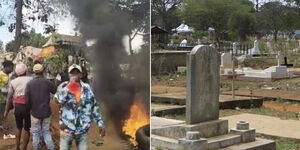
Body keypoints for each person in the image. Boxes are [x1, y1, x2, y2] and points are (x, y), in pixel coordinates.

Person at [55, 64, 105, 150]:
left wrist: (100, 123)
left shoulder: (87, 88)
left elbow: (94, 106)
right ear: (69, 75)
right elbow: (59, 101)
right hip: (66, 129)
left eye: (76, 73)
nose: (74, 76)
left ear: (81, 75)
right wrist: (69, 86)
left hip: (82, 130)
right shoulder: (63, 87)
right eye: (72, 73)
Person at [25, 64, 56, 150]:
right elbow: (55, 91)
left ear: (34, 72)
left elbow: (26, 99)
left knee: (36, 133)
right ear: (43, 71)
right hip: (46, 111)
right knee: (46, 131)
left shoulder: (30, 83)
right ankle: (51, 148)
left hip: (35, 112)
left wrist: (29, 110)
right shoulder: (47, 82)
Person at [3, 63, 32, 150]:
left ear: (16, 72)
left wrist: (6, 111)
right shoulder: (31, 79)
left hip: (18, 106)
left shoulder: (13, 82)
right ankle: (24, 148)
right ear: (26, 71)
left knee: (18, 127)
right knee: (27, 128)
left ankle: (17, 147)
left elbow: (9, 97)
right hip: (27, 106)